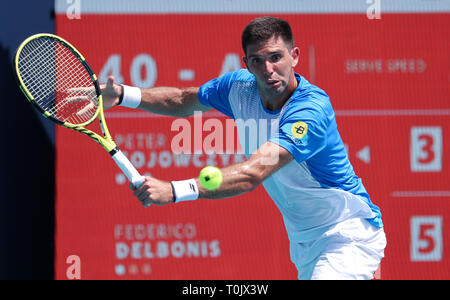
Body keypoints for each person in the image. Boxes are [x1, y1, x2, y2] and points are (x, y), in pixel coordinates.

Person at [101, 16, 386, 280]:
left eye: (276, 57)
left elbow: (255, 172)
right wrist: (125, 94)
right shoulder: (237, 87)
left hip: (347, 231)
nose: (268, 70)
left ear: (294, 56)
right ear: (246, 63)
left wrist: (175, 191)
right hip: (304, 241)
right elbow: (182, 99)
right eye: (257, 61)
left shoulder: (310, 110)